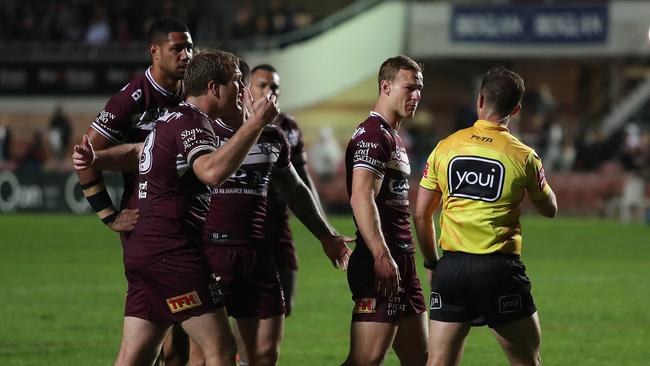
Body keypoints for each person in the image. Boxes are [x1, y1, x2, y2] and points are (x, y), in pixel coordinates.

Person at [73, 49, 280, 365]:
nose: (243, 89)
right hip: (174, 255)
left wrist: (98, 158)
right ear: (214, 88)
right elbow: (210, 172)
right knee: (222, 353)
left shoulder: (171, 118)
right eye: (237, 82)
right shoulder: (192, 123)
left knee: (134, 357)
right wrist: (255, 126)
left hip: (144, 253)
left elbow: (136, 151)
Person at [196, 60, 352, 366]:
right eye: (238, 82)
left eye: (244, 82)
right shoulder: (199, 132)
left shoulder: (273, 136)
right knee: (204, 356)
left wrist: (326, 234)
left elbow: (295, 189)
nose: (243, 89)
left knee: (265, 353)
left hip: (258, 253)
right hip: (210, 253)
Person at [413, 66, 558, 366]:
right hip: (498, 270)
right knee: (527, 360)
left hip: (451, 269)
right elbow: (549, 209)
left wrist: (432, 263)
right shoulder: (523, 156)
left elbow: (420, 214)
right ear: (516, 109)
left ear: (480, 100)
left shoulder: (446, 147)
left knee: (438, 362)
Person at [342, 55, 428, 366]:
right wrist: (380, 254)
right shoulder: (373, 134)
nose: (416, 95)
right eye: (409, 88)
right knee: (365, 360)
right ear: (385, 86)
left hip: (402, 261)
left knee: (421, 360)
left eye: (419, 89)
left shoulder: (393, 136)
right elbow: (361, 197)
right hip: (381, 262)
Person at [249, 63, 326, 321]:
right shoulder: (238, 123)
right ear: (248, 88)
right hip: (247, 222)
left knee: (284, 305)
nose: (271, 90)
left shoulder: (289, 127)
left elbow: (302, 177)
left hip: (279, 221)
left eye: (275, 86)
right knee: (246, 308)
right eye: (263, 85)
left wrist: (322, 225)